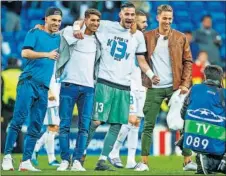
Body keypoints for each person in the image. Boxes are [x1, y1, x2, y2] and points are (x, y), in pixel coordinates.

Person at [73, 2, 153, 171]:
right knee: (95, 121)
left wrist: (152, 75)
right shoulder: (106, 26)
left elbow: (140, 60)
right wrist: (75, 28)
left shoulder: (138, 36)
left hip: (124, 85)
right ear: (120, 15)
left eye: (132, 15)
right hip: (105, 81)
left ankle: (102, 160)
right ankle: (79, 156)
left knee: (117, 123)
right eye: (127, 14)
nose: (130, 18)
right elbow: (84, 20)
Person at [1, 7, 62, 172]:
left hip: (43, 87)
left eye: (59, 21)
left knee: (36, 125)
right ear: (46, 19)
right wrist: (46, 54)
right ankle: (7, 157)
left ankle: (26, 161)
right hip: (28, 81)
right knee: (18, 120)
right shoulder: (34, 33)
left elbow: (76, 28)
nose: (56, 23)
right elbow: (25, 52)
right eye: (53, 20)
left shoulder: (58, 38)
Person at [135, 5, 194, 171]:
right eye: (164, 18)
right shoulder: (146, 37)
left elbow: (188, 62)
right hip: (154, 87)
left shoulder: (180, 37)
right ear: (158, 18)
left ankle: (187, 161)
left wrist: (184, 83)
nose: (167, 21)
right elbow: (140, 59)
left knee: (183, 124)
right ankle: (144, 162)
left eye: (170, 18)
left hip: (176, 87)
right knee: (148, 125)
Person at [55, 8, 101, 172]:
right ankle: (64, 160)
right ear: (85, 19)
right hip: (68, 84)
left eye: (97, 21)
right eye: (92, 20)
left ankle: (77, 161)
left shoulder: (98, 40)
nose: (95, 24)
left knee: (84, 127)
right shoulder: (70, 32)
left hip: (88, 88)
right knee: (64, 125)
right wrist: (76, 27)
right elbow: (69, 27)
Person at [108, 10, 148, 169]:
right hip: (128, 84)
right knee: (129, 120)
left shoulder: (141, 37)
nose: (145, 25)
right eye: (142, 22)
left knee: (136, 122)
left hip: (140, 84)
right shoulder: (122, 37)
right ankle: (114, 151)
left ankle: (131, 159)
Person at [181, 65, 226, 175]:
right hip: (214, 140)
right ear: (221, 78)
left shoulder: (194, 89)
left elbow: (183, 113)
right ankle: (219, 162)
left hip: (191, 139)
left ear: (205, 76)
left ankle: (202, 163)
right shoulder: (223, 93)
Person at [31, 64, 61, 167]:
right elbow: (42, 78)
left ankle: (35, 148)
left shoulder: (59, 65)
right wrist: (49, 93)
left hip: (57, 101)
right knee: (52, 128)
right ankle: (51, 159)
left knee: (55, 129)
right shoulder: (50, 63)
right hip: (50, 101)